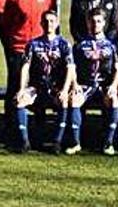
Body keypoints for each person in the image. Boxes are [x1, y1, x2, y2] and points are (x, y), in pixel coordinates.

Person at [2, 0, 57, 144]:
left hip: (40, 51)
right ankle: (11, 129)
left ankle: (39, 128)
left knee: (39, 87)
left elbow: (53, 23)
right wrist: (13, 45)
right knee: (15, 88)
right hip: (19, 50)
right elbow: (7, 23)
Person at [13, 11, 78, 154]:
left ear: (57, 23)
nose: (49, 24)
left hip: (56, 87)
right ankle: (24, 142)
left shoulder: (64, 44)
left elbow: (70, 68)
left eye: (52, 21)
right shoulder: (33, 44)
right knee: (20, 100)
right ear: (41, 23)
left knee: (64, 101)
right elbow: (25, 66)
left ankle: (57, 142)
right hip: (37, 87)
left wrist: (65, 89)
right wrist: (22, 89)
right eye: (46, 21)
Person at [71, 9, 118, 155]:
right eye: (92, 21)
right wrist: (75, 84)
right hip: (86, 85)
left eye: (99, 21)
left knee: (113, 100)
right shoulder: (80, 45)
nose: (95, 24)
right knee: (74, 99)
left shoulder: (111, 45)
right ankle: (75, 143)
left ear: (104, 23)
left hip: (104, 85)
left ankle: (108, 143)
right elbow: (72, 68)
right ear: (87, 23)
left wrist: (113, 85)